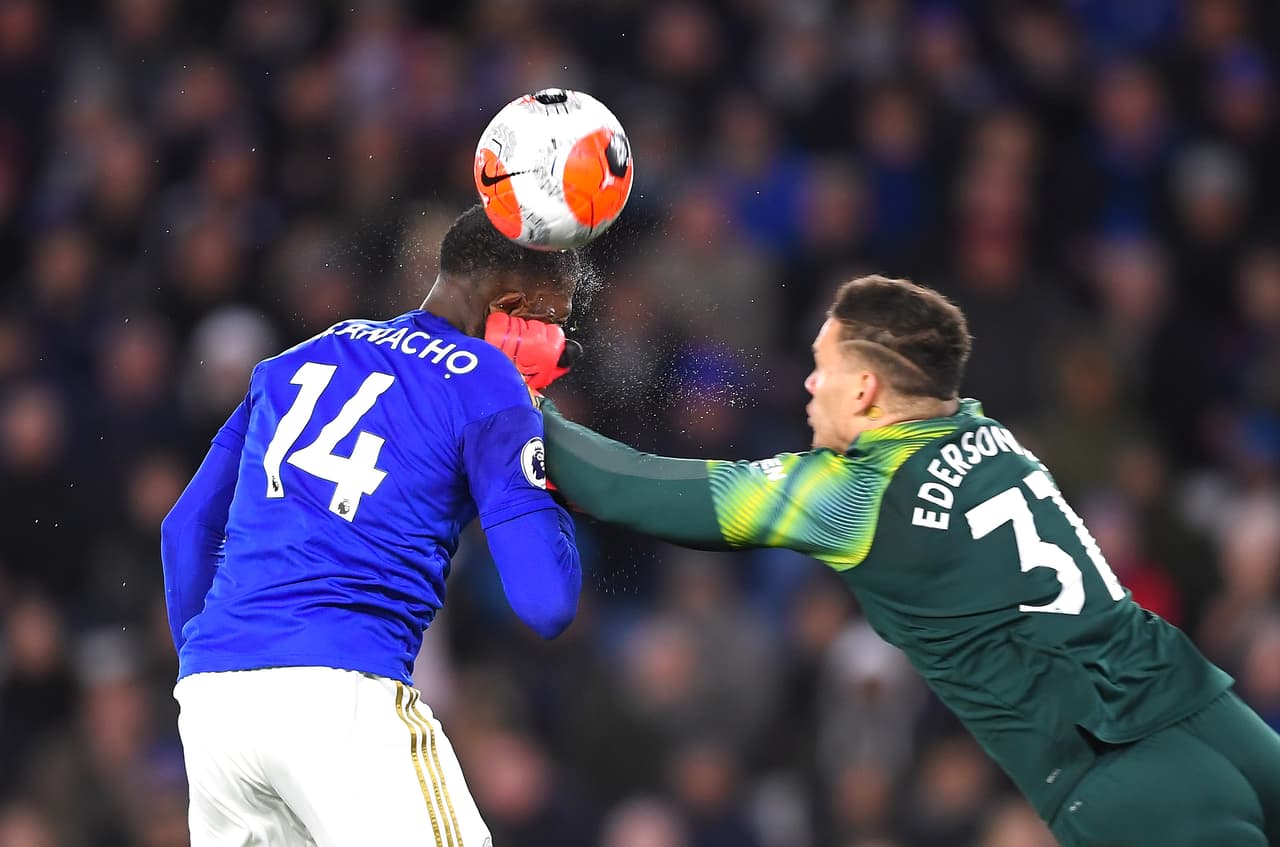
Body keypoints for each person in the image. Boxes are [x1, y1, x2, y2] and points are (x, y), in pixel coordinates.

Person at [501, 275, 1280, 846]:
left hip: (1125, 776)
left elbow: (625, 485)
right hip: (1216, 716)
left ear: (867, 388)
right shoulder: (988, 432)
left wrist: (501, 395)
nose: (808, 383)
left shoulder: (858, 492)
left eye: (822, 365)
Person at [160, 204, 584, 847]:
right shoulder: (489, 383)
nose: (558, 341)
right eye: (553, 319)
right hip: (341, 696)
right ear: (514, 303)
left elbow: (185, 530)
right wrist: (542, 459)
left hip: (216, 703)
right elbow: (546, 601)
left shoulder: (296, 359)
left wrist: (217, 666)